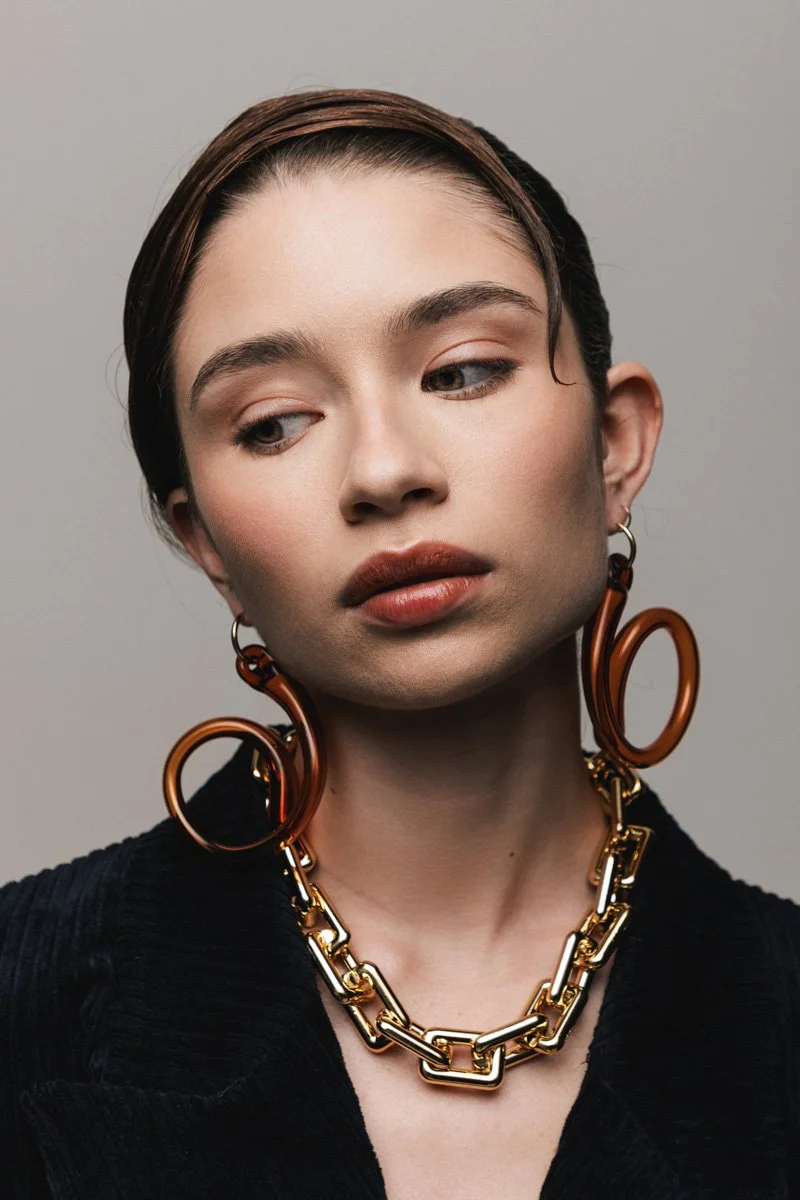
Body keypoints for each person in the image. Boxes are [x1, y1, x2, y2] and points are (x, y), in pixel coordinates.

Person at [1, 87, 797, 1200]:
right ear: (206, 541)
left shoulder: (772, 1013)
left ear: (614, 444)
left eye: (462, 370)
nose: (383, 471)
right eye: (273, 423)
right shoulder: (26, 1005)